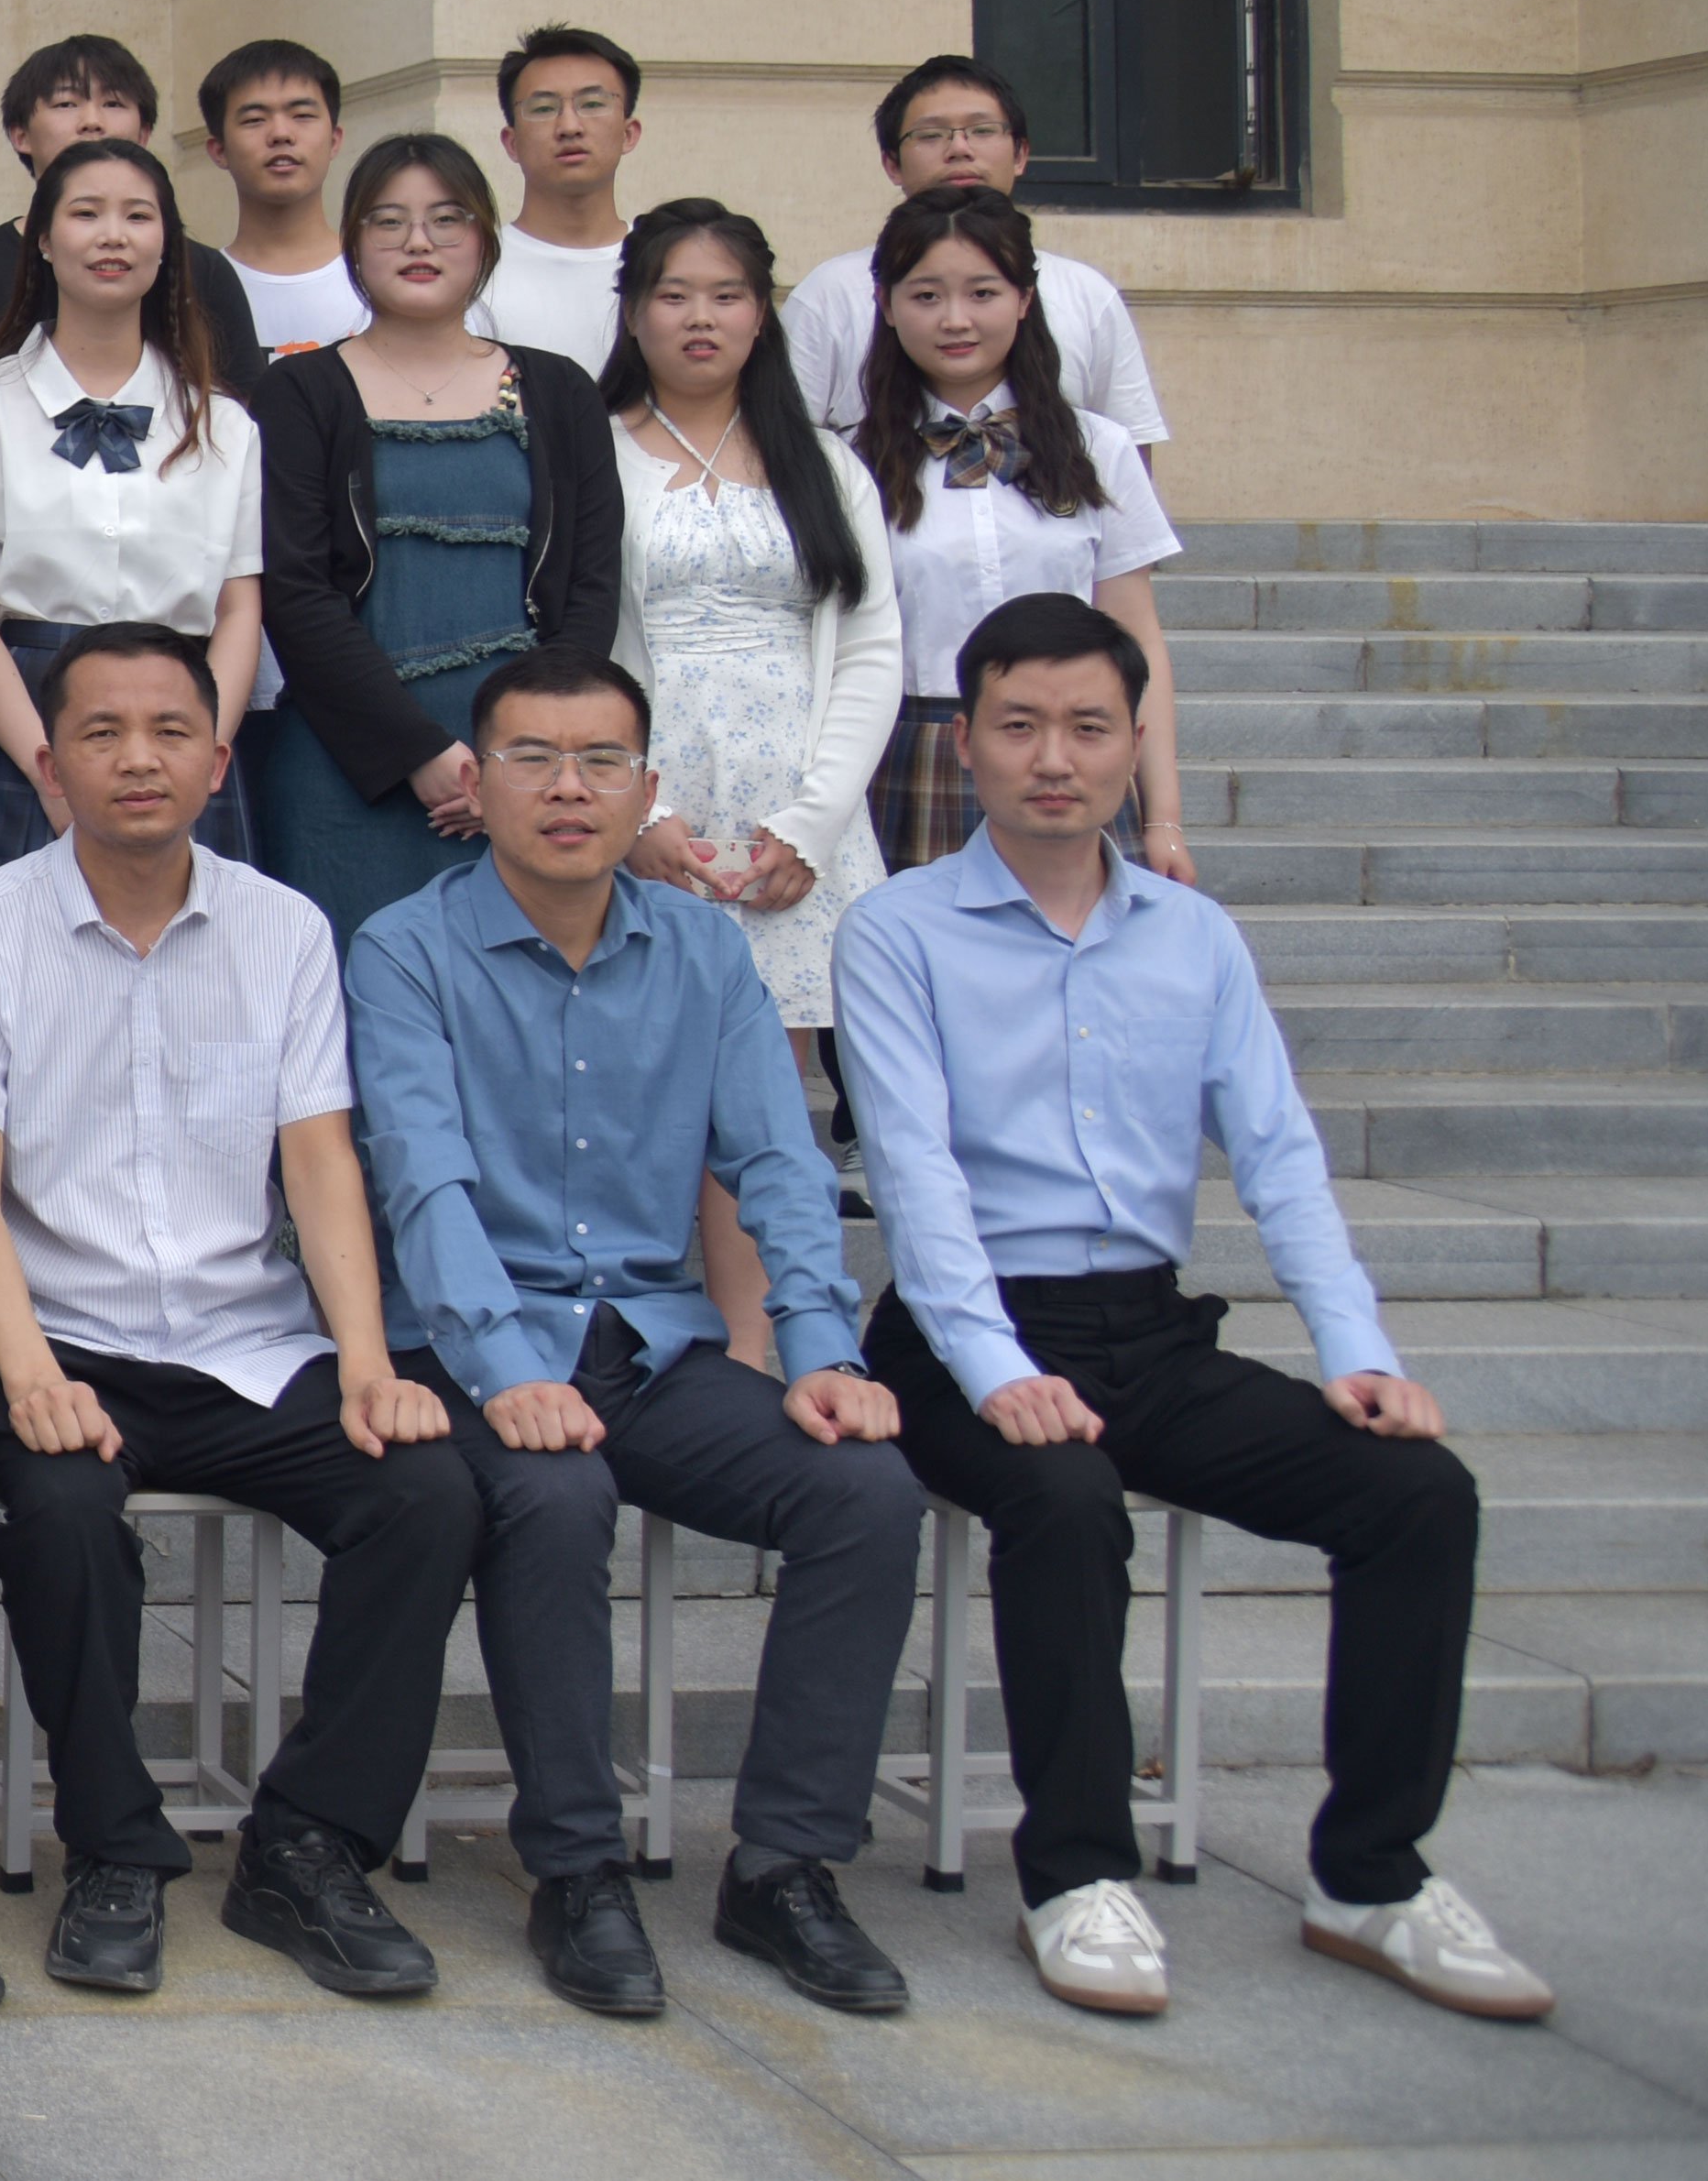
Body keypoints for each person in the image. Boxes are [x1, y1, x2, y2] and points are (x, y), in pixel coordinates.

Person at [840, 592, 1546, 2026]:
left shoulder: (1195, 935)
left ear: (1134, 741)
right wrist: (994, 1366)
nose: (1055, 757)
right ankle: (1079, 1871)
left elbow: (1280, 1159)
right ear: (965, 741)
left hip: (1151, 1332)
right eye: (1019, 724)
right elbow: (913, 1178)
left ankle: (1373, 1874)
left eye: (1088, 726)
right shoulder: (896, 929)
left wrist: (1358, 1350)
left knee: (1418, 1495)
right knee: (1064, 1496)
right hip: (961, 1337)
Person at [0, 619, 474, 2006]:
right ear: (49, 767)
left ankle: (309, 1841)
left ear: (220, 760)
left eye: (170, 731)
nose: (138, 758)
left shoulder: (284, 928)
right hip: (59, 1335)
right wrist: (26, 1371)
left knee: (428, 1491)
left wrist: (367, 1359)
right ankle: (116, 1848)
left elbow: (319, 1161)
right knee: (65, 1516)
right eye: (101, 732)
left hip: (248, 1341)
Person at [345, 651, 926, 2021]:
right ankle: (579, 1869)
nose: (569, 787)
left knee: (864, 1490)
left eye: (601, 760)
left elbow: (779, 1160)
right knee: (555, 1500)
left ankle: (784, 1865)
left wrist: (823, 1345)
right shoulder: (403, 950)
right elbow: (421, 1183)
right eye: (534, 757)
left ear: (645, 785)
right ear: (478, 781)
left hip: (649, 1344)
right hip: (471, 1346)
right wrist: (508, 1370)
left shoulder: (706, 951)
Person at [248, 135, 626, 943]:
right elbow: (296, 592)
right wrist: (418, 752)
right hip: (347, 765)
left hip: (529, 777)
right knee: (351, 992)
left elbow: (592, 587)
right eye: (389, 221)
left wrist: (527, 757)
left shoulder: (559, 390)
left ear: (484, 238)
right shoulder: (300, 390)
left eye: (446, 219)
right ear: (353, 243)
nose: (418, 242)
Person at [599, 200, 900, 1058]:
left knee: (769, 1070)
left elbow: (871, 648)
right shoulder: (589, 451)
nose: (701, 318)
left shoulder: (825, 463)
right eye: (675, 295)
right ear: (633, 312)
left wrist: (815, 821)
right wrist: (633, 813)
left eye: (727, 295)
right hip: (650, 786)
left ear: (761, 314)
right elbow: (569, 642)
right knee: (638, 1047)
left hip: (792, 798)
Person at [0, 139, 264, 882]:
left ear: (166, 242)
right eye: (86, 214)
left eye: (137, 216)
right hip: (31, 715)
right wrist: (48, 768)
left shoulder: (223, 423)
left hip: (183, 714)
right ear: (43, 240)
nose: (113, 235)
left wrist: (196, 752)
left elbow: (240, 608)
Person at [850, 188, 1186, 880]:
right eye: (926, 296)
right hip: (912, 753)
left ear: (1025, 298)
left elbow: (1137, 634)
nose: (956, 319)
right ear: (886, 304)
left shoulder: (1100, 448)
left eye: (983, 292)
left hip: (1075, 748)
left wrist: (1164, 819)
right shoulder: (848, 462)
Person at [783, 53, 1170, 449]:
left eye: (982, 130)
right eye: (931, 135)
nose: (959, 149)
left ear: (1020, 154)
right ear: (892, 163)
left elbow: (1128, 454)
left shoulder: (1087, 294)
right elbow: (784, 448)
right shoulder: (828, 294)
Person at [0, 36, 276, 391]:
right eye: (66, 104)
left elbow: (241, 406)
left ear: (144, 133)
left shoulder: (204, 272)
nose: (92, 121)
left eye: (113, 103)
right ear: (20, 135)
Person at [464, 27, 645, 376]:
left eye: (592, 104)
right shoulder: (471, 272)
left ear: (628, 133)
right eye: (544, 108)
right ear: (511, 142)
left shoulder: (663, 266)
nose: (569, 126)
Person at [196, 38, 363, 358]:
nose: (281, 134)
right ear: (219, 150)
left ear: (334, 140)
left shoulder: (382, 278)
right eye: (254, 120)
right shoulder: (194, 291)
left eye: (302, 115)